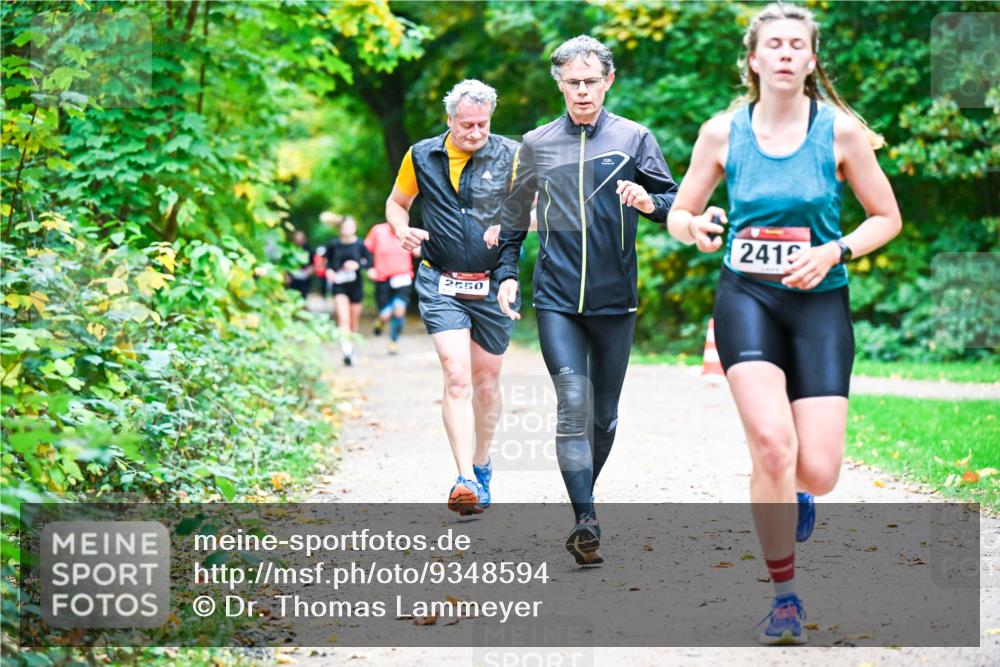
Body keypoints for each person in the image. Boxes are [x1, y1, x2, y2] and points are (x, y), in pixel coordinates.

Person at [666, 2, 901, 645]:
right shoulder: (721, 132)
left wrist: (835, 250)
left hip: (820, 303)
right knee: (773, 445)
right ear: (754, 59)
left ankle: (795, 489)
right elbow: (680, 214)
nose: (786, 53)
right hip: (747, 299)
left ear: (812, 60)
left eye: (798, 44)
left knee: (817, 470)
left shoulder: (840, 133)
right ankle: (784, 596)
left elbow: (886, 217)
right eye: (774, 44)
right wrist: (696, 226)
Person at [496, 35, 678, 566]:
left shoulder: (634, 138)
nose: (581, 90)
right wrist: (506, 274)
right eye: (572, 81)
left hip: (615, 300)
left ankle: (583, 502)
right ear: (559, 83)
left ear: (608, 82)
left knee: (603, 416)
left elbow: (674, 202)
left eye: (590, 81)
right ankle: (586, 519)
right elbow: (514, 215)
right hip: (556, 298)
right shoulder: (537, 143)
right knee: (573, 406)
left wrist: (649, 202)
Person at [385, 79, 520, 515]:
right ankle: (464, 479)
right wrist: (401, 229)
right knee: (457, 376)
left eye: (483, 124)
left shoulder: (513, 155)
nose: (475, 132)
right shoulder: (421, 155)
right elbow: (397, 202)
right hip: (440, 280)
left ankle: (481, 464)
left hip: (493, 284)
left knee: (486, 383)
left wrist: (514, 223)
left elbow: (541, 208)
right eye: (466, 125)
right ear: (450, 119)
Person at [365, 221, 419, 355]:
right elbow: (365, 251)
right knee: (385, 314)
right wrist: (369, 268)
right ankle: (381, 321)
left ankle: (393, 342)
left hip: (403, 277)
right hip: (382, 278)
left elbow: (417, 252)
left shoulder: (408, 231)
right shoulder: (377, 230)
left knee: (399, 310)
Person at [325, 216, 371, 366]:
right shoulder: (333, 244)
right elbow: (327, 263)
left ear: (355, 228)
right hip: (339, 285)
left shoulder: (360, 244)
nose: (348, 229)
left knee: (353, 322)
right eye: (345, 226)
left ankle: (352, 349)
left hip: (356, 286)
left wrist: (357, 265)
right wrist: (329, 271)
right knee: (343, 319)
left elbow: (369, 262)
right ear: (340, 228)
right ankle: (346, 352)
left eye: (351, 226)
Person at [286, 229, 314, 301]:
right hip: (292, 278)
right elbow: (285, 264)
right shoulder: (289, 249)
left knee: (302, 298)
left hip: (304, 278)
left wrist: (309, 272)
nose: (298, 240)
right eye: (297, 239)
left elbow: (312, 264)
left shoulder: (308, 249)